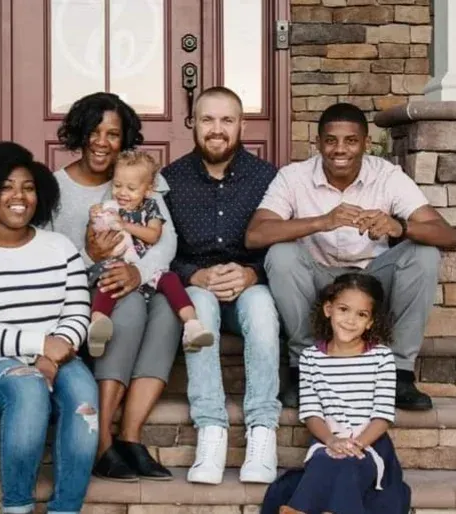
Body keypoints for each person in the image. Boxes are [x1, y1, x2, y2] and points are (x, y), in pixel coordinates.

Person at [247, 102, 456, 412]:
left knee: (423, 253)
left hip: (372, 278)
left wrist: (399, 226)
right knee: (281, 254)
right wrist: (323, 221)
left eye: (351, 140)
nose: (339, 149)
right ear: (318, 143)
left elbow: (447, 235)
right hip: (318, 279)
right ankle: (304, 368)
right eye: (330, 140)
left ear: (366, 144)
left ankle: (400, 373)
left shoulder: (387, 176)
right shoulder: (293, 177)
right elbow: (255, 235)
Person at [0, 141, 98, 514]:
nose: (18, 196)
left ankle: (66, 508)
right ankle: (17, 506)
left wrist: (53, 353)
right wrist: (39, 344)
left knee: (85, 395)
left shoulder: (61, 248)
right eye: (6, 186)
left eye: (27, 187)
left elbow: (77, 312)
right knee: (27, 387)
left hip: (58, 354)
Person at [49, 92, 177, 482]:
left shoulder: (143, 180)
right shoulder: (56, 189)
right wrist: (92, 258)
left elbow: (165, 239)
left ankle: (131, 437)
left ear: (126, 140)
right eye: (94, 131)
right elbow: (50, 255)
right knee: (131, 306)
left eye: (114, 134)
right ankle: (101, 441)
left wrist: (140, 273)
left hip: (138, 278)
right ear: (79, 133)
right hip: (86, 289)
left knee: (169, 310)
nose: (102, 141)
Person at [161, 86, 282, 485]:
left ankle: (263, 431)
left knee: (263, 314)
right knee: (200, 314)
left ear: (242, 125)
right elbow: (159, 253)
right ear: (193, 123)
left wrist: (252, 274)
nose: (217, 129)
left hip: (251, 285)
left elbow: (283, 245)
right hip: (197, 288)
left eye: (227, 120)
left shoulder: (268, 178)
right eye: (208, 119)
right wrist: (195, 275)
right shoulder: (169, 180)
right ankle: (211, 430)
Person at [260, 273, 411, 514]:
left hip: (369, 443)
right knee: (323, 461)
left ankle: (300, 509)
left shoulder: (381, 357)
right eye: (344, 309)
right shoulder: (310, 358)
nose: (350, 320)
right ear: (328, 309)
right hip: (327, 440)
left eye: (361, 315)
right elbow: (311, 412)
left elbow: (382, 416)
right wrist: (331, 440)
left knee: (350, 465)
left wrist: (356, 444)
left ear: (370, 322)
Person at [87, 150, 214, 356]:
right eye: (117, 185)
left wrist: (125, 224)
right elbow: (96, 237)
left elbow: (154, 235)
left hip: (147, 269)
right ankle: (98, 325)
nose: (122, 193)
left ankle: (192, 325)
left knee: (171, 279)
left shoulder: (152, 207)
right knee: (107, 281)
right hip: (119, 266)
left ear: (148, 190)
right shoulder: (110, 206)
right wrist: (96, 218)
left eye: (131, 188)